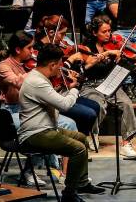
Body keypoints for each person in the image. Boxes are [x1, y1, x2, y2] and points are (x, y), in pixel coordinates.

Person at [18, 43, 105, 202]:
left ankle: (82, 182)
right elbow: (64, 105)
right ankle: (69, 194)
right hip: (36, 134)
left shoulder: (39, 77)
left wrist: (69, 86)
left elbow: (49, 98)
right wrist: (75, 88)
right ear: (52, 65)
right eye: (59, 64)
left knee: (81, 138)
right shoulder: (38, 82)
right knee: (78, 149)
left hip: (45, 129)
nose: (61, 68)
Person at [0, 31, 78, 185]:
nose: (33, 52)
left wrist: (65, 84)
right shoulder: (4, 66)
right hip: (12, 111)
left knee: (70, 123)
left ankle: (66, 173)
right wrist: (39, 69)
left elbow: (43, 92)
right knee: (38, 128)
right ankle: (29, 171)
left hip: (33, 109)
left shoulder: (30, 66)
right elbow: (19, 83)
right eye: (30, 48)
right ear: (18, 50)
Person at [78, 14, 136, 157]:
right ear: (94, 32)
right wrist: (108, 53)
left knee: (127, 104)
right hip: (91, 86)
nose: (108, 34)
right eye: (104, 31)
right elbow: (85, 67)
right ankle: (93, 136)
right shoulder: (86, 48)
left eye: (109, 30)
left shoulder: (115, 45)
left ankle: (126, 143)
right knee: (99, 105)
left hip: (110, 83)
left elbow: (123, 72)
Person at [33, 15, 101, 137]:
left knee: (96, 106)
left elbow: (61, 71)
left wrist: (72, 74)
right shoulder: (40, 51)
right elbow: (54, 71)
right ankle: (78, 139)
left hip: (63, 90)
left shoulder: (56, 47)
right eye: (63, 34)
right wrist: (70, 60)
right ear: (51, 32)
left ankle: (82, 138)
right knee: (89, 113)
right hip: (53, 95)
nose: (65, 39)